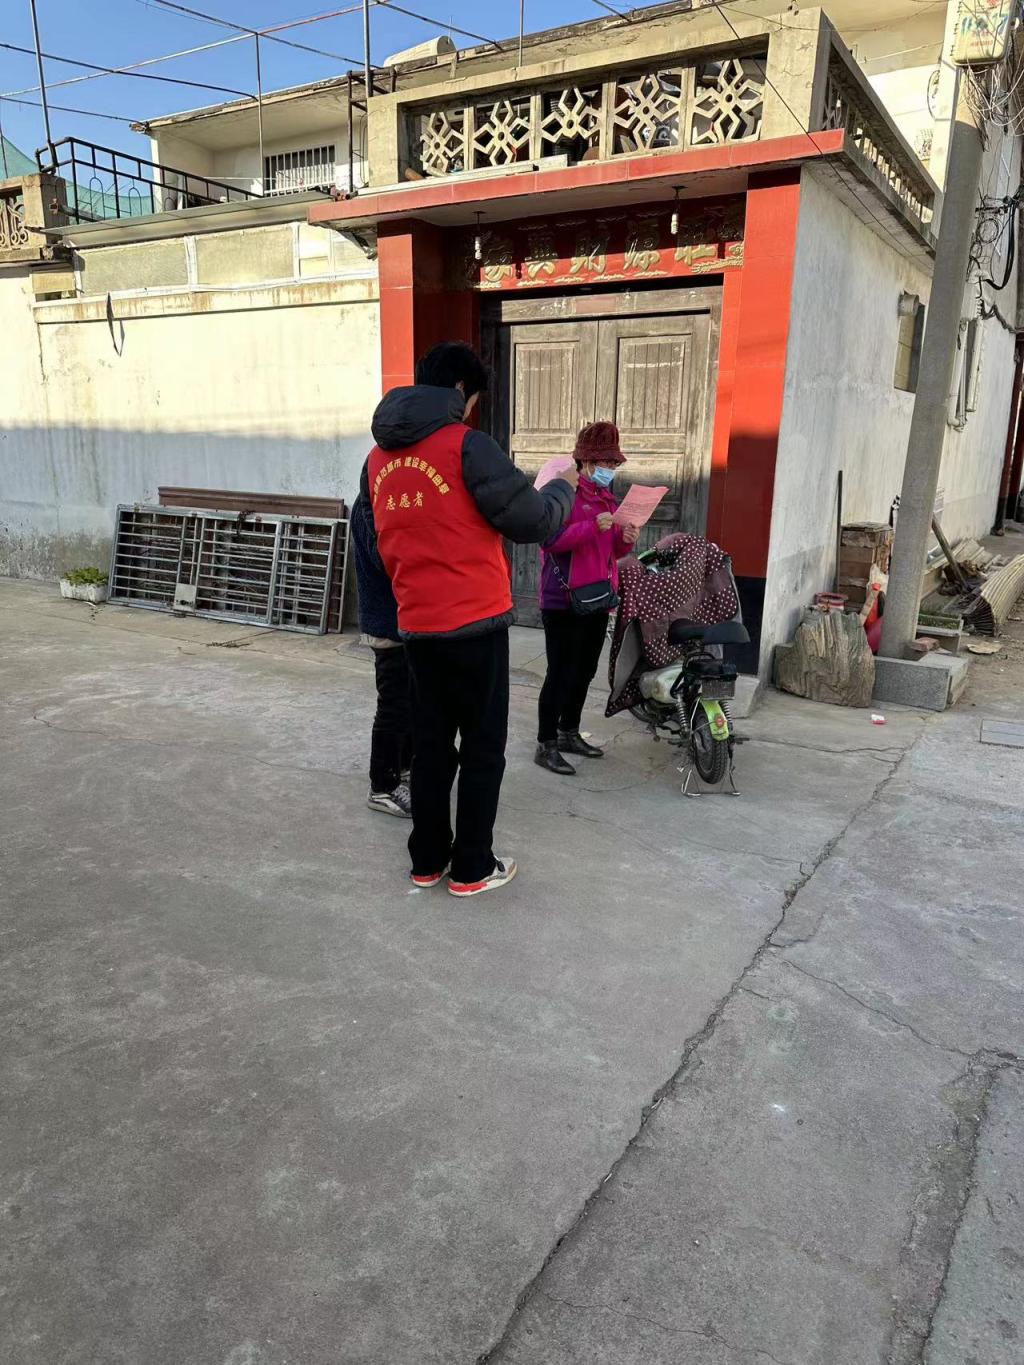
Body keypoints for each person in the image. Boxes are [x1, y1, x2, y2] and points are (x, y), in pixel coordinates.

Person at [360, 341, 577, 898]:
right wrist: (560, 486)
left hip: (417, 626)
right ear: (461, 390)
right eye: (474, 399)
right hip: (476, 625)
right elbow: (533, 522)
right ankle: (472, 868)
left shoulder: (377, 460)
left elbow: (377, 540)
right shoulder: (467, 446)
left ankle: (427, 861)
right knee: (482, 748)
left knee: (431, 748)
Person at [535, 421, 638, 776]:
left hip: (598, 596)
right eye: (606, 463)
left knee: (584, 670)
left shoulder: (607, 497)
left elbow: (612, 551)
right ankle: (546, 743)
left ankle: (569, 732)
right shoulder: (563, 492)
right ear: (587, 462)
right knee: (560, 672)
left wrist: (626, 538)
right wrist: (592, 526)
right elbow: (549, 541)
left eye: (614, 464)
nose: (611, 469)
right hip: (563, 599)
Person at [350, 491, 412, 817]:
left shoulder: (388, 500)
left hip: (405, 621)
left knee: (410, 701)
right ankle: (382, 786)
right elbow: (387, 560)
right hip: (387, 623)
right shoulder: (368, 507)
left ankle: (403, 769)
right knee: (394, 705)